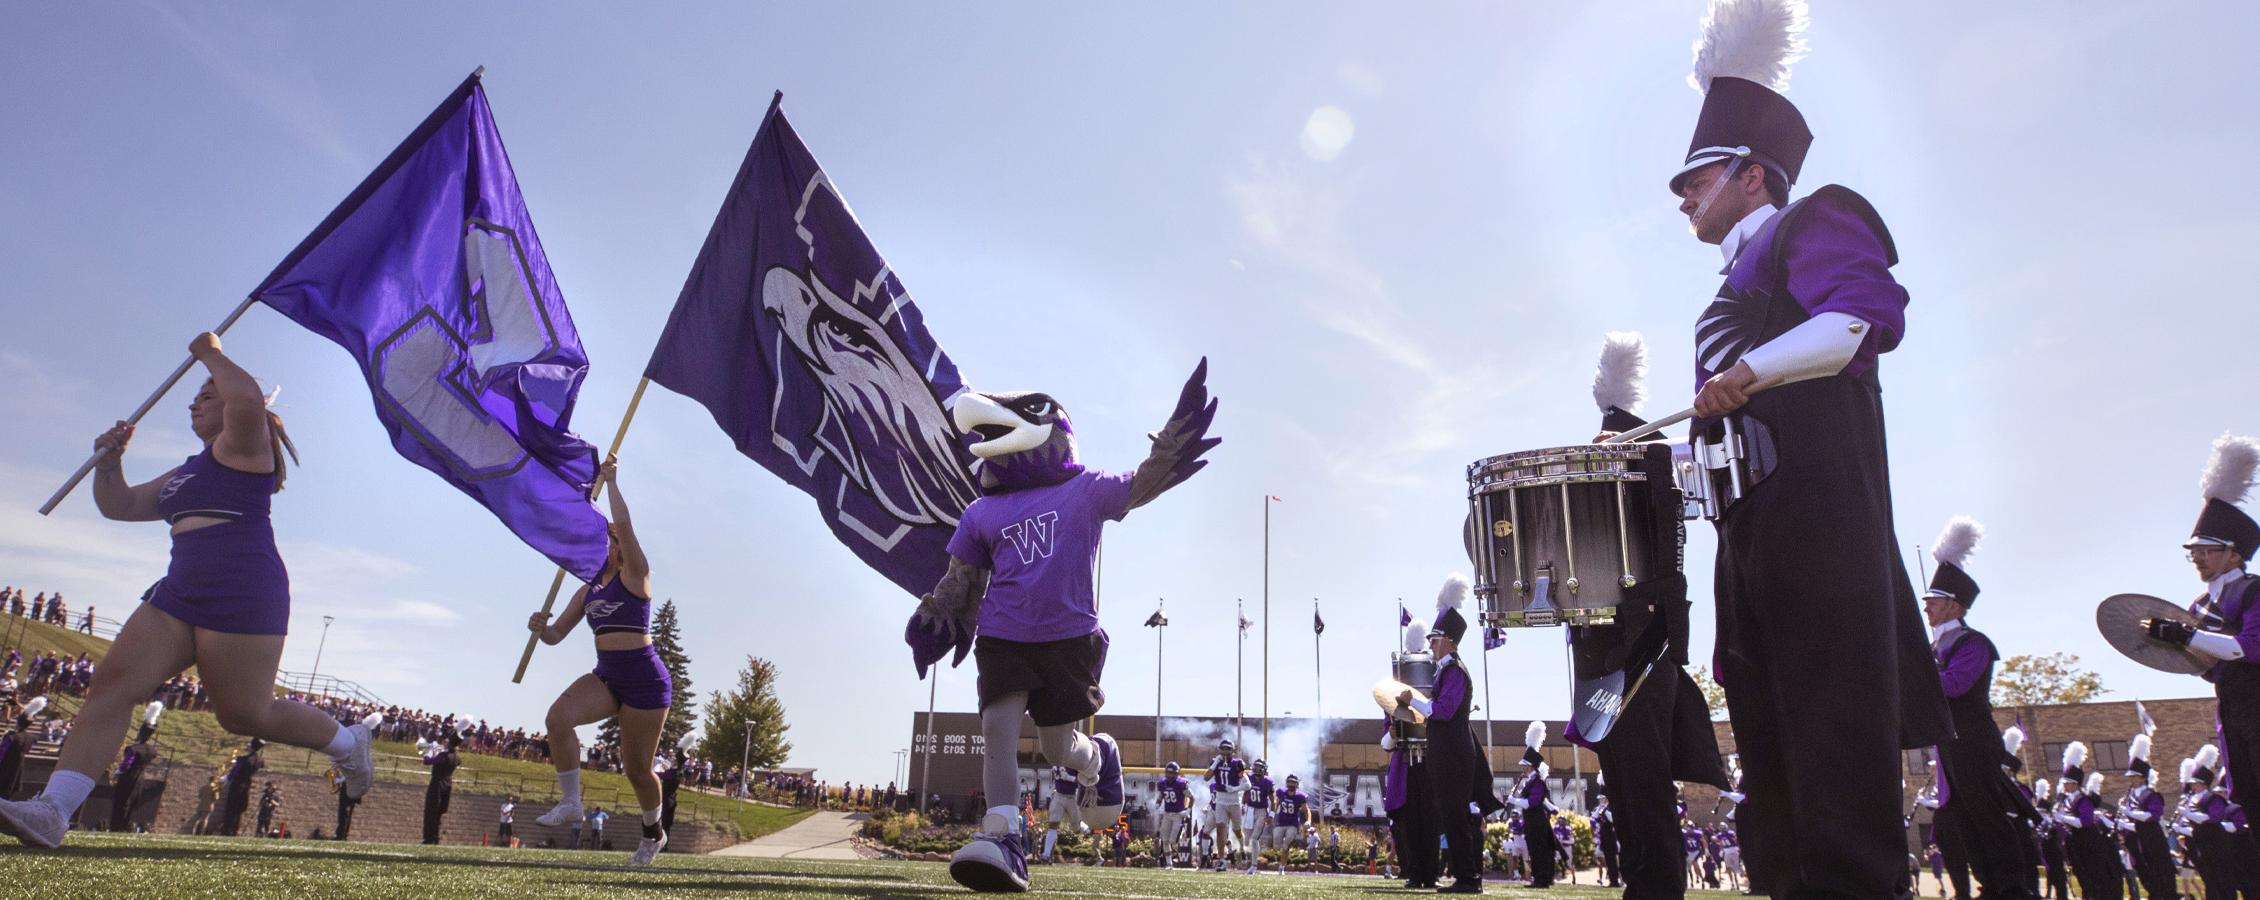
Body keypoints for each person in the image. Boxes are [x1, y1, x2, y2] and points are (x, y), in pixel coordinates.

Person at [1657, 2, 1952, 894]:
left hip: (1824, 534)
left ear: (1753, 174)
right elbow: (1724, 434)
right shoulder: (1717, 295)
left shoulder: (1815, 218)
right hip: (1749, 552)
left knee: (1835, 762)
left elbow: (1861, 321)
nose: (1681, 195)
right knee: (1773, 783)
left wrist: (1750, 371)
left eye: (1695, 177)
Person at [0, 334, 375, 848]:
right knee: (112, 685)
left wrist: (210, 352)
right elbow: (121, 506)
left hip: (243, 588)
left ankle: (348, 742)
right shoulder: (185, 472)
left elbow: (245, 399)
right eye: (196, 394)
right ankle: (53, 812)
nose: (194, 401)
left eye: (206, 393)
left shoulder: (246, 444)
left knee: (243, 714)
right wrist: (110, 464)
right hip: (179, 591)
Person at [912, 371, 1215, 893]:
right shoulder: (980, 513)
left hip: (1068, 637)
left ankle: (1097, 755)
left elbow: (1143, 481)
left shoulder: (1087, 489)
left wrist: (1173, 443)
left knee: (1057, 750)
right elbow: (960, 580)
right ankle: (1003, 835)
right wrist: (938, 612)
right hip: (1003, 636)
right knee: (997, 737)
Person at [527, 456, 673, 868]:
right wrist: (542, 627)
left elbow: (626, 528)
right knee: (558, 719)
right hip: (607, 677)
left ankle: (652, 834)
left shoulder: (636, 576)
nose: (607, 543)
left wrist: (611, 483)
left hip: (646, 682)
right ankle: (571, 801)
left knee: (637, 771)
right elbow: (557, 637)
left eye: (611, 539)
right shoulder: (589, 589)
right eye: (605, 539)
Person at [1918, 517, 2037, 898]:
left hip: (1973, 740)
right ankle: (1989, 884)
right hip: (1949, 744)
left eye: (1932, 602)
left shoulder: (1974, 643)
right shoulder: (1932, 649)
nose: (1927, 609)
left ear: (1954, 606)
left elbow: (1955, 685)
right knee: (1963, 820)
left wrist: (1915, 673)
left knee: (1987, 815)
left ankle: (2012, 887)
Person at [1400, 579, 1506, 893]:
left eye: (1435, 640)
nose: (1431, 645)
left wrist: (1413, 700)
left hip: (1454, 755)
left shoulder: (1455, 670)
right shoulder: (1446, 670)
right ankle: (1466, 876)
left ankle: (1469, 878)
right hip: (1449, 753)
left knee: (1456, 815)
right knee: (1451, 814)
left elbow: (1443, 711)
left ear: (1448, 641)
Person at [1383, 703, 1440, 889]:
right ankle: (1414, 874)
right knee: (1410, 826)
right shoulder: (1393, 709)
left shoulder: (1432, 704)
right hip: (1406, 770)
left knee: (1431, 824)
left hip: (1430, 768)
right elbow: (1386, 745)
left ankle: (1431, 875)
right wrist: (1392, 734)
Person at [1511, 722, 1557, 888]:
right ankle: (1539, 878)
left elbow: (1533, 802)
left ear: (1531, 767)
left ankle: (1542, 879)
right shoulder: (1530, 781)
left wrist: (1514, 801)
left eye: (1525, 767)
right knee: (1534, 848)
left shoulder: (1537, 782)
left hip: (1537, 821)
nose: (1523, 769)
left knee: (1539, 849)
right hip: (1532, 821)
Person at [109, 707, 160, 832]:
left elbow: (127, 764)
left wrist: (117, 773)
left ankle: (116, 826)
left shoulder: (133, 748)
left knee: (121, 802)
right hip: (140, 779)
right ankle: (125, 825)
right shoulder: (152, 750)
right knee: (132, 803)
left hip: (128, 778)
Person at [1209, 738, 1251, 869]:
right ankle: (1222, 860)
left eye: (1228, 748)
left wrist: (1235, 789)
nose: (1225, 751)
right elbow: (1206, 777)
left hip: (1234, 801)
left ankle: (1242, 848)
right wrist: (1215, 763)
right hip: (1221, 800)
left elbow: (1248, 785)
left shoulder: (1237, 764)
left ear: (1232, 750)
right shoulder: (1215, 762)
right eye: (1223, 748)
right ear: (1220, 749)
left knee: (1237, 830)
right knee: (1220, 829)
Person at [421, 732, 460, 844]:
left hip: (437, 783)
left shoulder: (443, 756)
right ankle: (436, 837)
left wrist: (432, 750)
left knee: (430, 810)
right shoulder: (456, 757)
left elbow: (427, 761)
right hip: (447, 784)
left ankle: (429, 838)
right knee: (438, 813)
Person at [219, 740, 263, 837]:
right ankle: (234, 829)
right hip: (247, 784)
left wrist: (226, 778)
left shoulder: (244, 759)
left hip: (238, 784)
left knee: (231, 807)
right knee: (239, 809)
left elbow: (235, 771)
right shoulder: (259, 760)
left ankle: (227, 829)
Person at [1155, 760, 1190, 868]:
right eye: (1168, 773)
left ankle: (1182, 829)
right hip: (1167, 814)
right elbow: (1161, 796)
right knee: (1165, 841)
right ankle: (1169, 864)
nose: (1170, 775)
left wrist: (1188, 809)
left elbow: (1192, 797)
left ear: (1177, 773)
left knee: (1173, 841)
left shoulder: (1181, 784)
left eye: (1172, 773)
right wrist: (1158, 803)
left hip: (1178, 815)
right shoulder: (1162, 783)